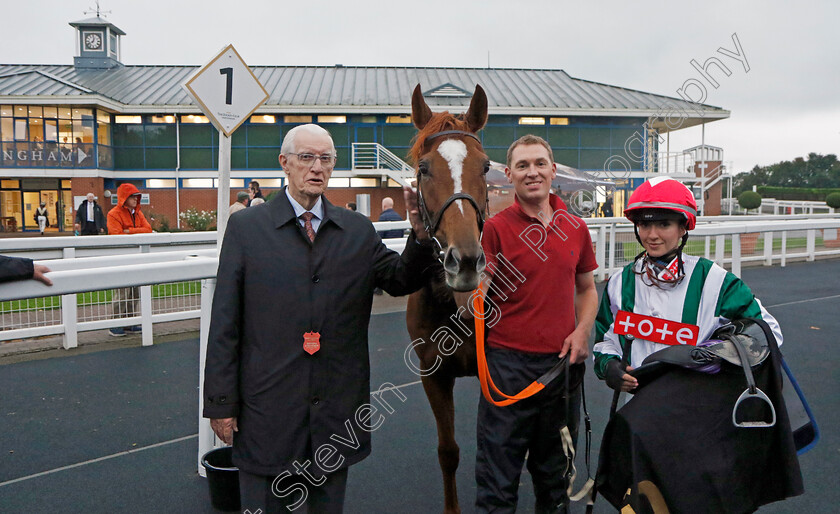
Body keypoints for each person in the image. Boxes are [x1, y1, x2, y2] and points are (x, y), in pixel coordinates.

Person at [203, 123, 436, 514]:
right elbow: (225, 321)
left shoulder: (357, 230)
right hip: (268, 406)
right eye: (306, 157)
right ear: (285, 163)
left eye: (325, 159)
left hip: (334, 407)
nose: (317, 167)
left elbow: (399, 280)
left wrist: (420, 237)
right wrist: (221, 403)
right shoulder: (246, 229)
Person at [592, 177, 795, 512]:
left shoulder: (716, 281)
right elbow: (606, 340)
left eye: (664, 223)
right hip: (646, 417)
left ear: (684, 227)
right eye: (644, 223)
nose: (652, 234)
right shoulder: (620, 283)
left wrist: (711, 355)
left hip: (700, 419)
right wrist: (609, 367)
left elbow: (767, 331)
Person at [475, 135, 599, 514]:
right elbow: (477, 300)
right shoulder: (494, 229)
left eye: (540, 163)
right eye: (523, 166)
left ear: (553, 170)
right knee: (498, 483)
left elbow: (588, 289)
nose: (533, 172)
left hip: (560, 371)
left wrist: (582, 332)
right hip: (506, 369)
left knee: (555, 480)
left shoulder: (575, 227)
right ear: (508, 175)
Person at [107, 184, 152, 337]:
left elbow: (148, 230)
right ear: (124, 198)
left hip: (136, 258)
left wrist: (130, 231)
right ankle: (115, 324)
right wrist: (134, 233)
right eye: (132, 196)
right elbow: (116, 235)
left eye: (136, 197)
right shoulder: (113, 214)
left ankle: (129, 322)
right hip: (121, 258)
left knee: (134, 292)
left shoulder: (138, 214)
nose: (135, 199)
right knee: (122, 292)